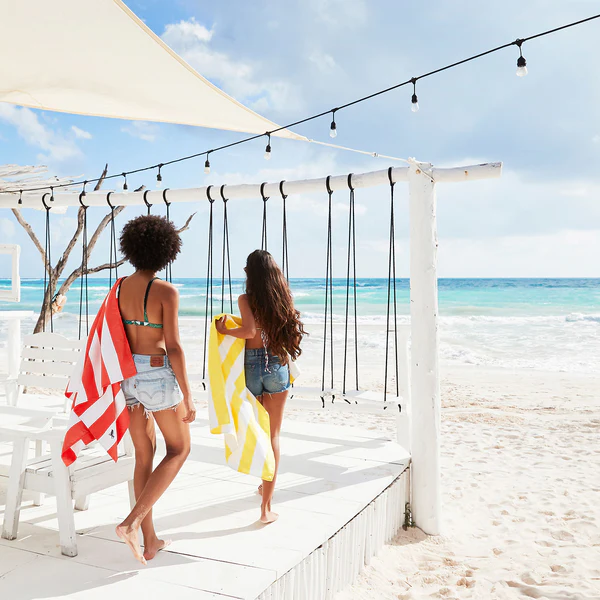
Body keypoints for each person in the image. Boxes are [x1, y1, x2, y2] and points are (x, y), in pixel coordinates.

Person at [115, 215, 195, 565]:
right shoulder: (165, 291)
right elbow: (174, 347)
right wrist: (189, 395)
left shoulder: (119, 287)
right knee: (179, 449)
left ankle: (151, 540)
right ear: (167, 250)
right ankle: (131, 523)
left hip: (127, 375)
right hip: (156, 375)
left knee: (144, 456)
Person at [216, 249, 306, 524]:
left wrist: (224, 330)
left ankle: (264, 481)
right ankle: (266, 505)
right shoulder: (283, 297)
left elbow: (249, 332)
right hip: (277, 364)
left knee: (256, 429)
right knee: (274, 435)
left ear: (249, 274)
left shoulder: (246, 299)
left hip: (252, 367)